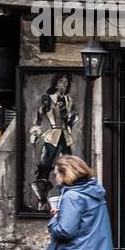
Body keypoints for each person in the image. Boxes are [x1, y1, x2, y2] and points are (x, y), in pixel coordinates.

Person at [30, 72, 79, 209]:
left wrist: (71, 117)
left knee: (68, 167)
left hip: (65, 136)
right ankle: (41, 200)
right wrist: (35, 130)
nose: (64, 85)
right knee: (45, 166)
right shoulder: (48, 98)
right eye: (61, 82)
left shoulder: (69, 101)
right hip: (53, 135)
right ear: (56, 83)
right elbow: (39, 115)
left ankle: (66, 199)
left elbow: (73, 119)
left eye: (66, 82)